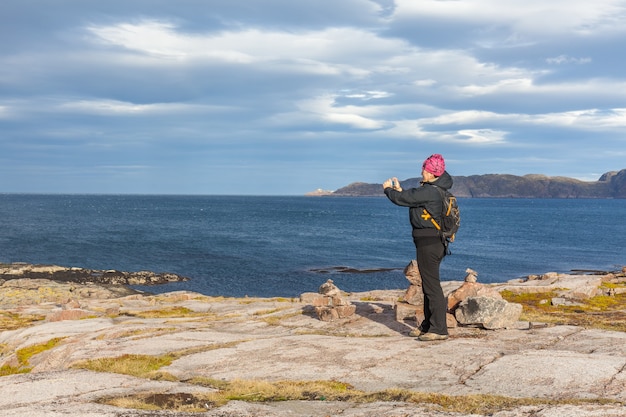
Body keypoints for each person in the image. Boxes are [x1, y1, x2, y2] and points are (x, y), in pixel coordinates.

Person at [382, 154, 451, 341]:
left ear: (431, 172)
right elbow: (411, 200)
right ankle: (428, 326)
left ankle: (439, 330)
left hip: (430, 243)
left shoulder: (430, 191)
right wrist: (400, 190)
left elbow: (402, 199)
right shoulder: (435, 190)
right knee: (429, 285)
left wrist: (388, 190)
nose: (422, 171)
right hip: (432, 242)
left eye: (424, 169)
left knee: (432, 286)